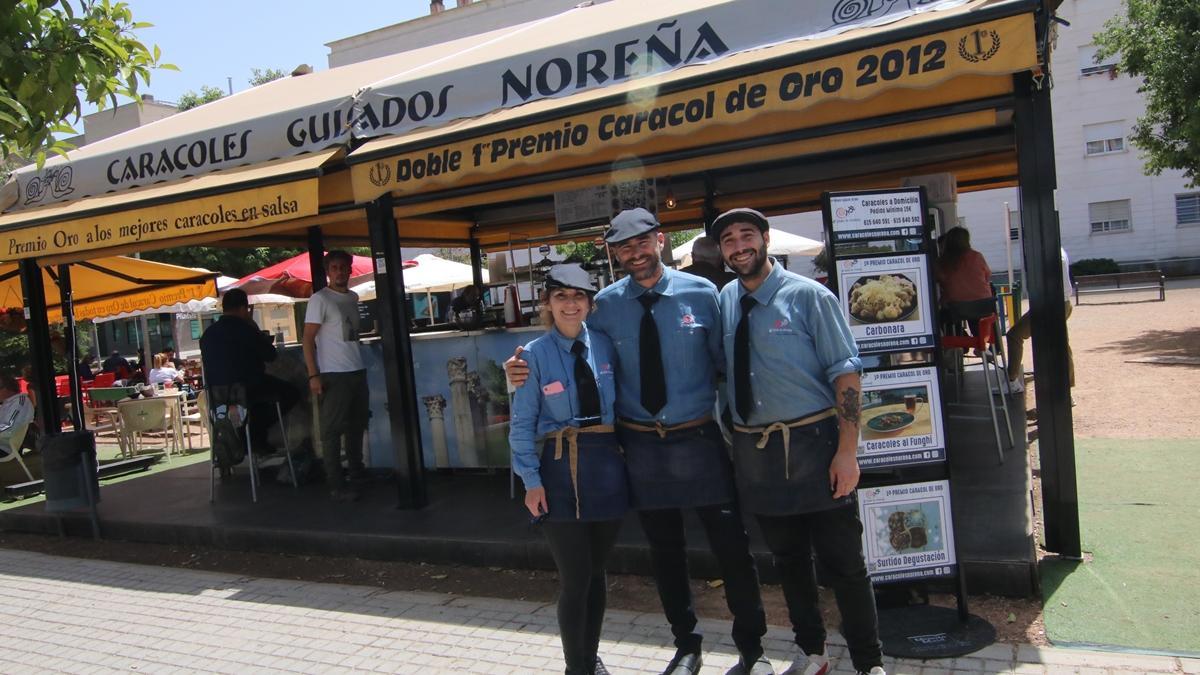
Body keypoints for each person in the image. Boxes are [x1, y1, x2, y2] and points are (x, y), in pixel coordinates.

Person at [509, 208, 771, 675]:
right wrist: (521, 369)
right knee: (665, 553)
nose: (635, 253)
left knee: (732, 548)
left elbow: (727, 363)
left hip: (698, 438)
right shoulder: (604, 304)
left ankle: (752, 651)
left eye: (642, 242)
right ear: (615, 254)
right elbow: (571, 348)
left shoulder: (704, 293)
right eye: (624, 247)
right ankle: (686, 647)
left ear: (662, 241)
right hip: (643, 444)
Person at [711, 208, 885, 675]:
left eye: (747, 235)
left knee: (845, 565)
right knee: (788, 563)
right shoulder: (725, 299)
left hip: (816, 446)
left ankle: (870, 664)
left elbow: (846, 375)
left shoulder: (809, 296)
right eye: (728, 239)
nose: (739, 245)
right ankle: (814, 653)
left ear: (766, 239)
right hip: (758, 455)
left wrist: (848, 452)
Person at [510, 264, 628, 675]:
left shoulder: (606, 347)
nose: (570, 304)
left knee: (596, 574)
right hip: (559, 470)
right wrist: (530, 481)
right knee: (575, 578)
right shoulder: (532, 356)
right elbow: (522, 423)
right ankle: (575, 667)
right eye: (561, 296)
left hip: (606, 468)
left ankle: (589, 657)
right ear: (547, 304)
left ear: (590, 304)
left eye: (578, 296)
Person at [303, 250, 369, 502]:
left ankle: (356, 473)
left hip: (356, 369)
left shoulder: (353, 297)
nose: (340, 272)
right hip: (334, 373)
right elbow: (308, 338)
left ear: (350, 270)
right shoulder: (320, 299)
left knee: (356, 426)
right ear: (328, 272)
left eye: (343, 267)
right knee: (332, 431)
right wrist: (313, 375)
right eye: (335, 268)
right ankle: (336, 484)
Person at [200, 289, 298, 456]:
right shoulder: (246, 329)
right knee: (291, 393)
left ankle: (249, 437)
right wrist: (255, 329)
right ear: (243, 308)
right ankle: (254, 436)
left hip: (217, 397)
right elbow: (270, 355)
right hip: (248, 389)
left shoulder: (207, 335)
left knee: (256, 401)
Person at [1004, 247, 1075, 394]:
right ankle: (1066, 390)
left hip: (1050, 304)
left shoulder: (1051, 254)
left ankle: (1012, 381)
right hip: (1062, 302)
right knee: (1061, 344)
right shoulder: (1058, 251)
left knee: (1014, 335)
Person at [0, 372, 36, 459]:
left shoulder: (19, 402)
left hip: (5, 447)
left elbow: (8, 424)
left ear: (8, 388)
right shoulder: (9, 402)